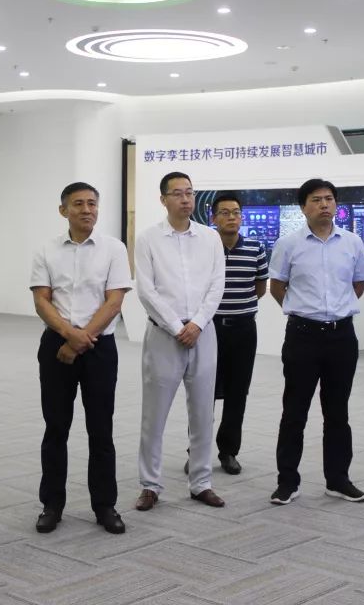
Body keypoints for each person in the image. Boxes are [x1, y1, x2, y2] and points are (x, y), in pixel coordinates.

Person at [29, 182, 132, 535]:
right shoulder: (46, 250)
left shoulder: (114, 248)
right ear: (63, 210)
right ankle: (51, 504)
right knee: (56, 428)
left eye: (92, 203)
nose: (87, 210)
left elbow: (114, 302)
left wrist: (79, 341)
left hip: (99, 348)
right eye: (78, 204)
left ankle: (105, 505)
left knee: (101, 429)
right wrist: (69, 335)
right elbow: (42, 300)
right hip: (55, 346)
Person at [268, 178, 364, 506]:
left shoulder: (352, 242)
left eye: (329, 199)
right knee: (294, 411)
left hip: (342, 336)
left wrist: (335, 310)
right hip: (302, 336)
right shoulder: (288, 244)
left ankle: (338, 479)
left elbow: (358, 284)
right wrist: (303, 310)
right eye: (316, 199)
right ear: (303, 207)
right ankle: (287, 481)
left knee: (337, 412)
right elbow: (277, 287)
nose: (324, 204)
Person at [134, 171, 226, 511]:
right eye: (177, 193)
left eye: (189, 192)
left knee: (203, 413)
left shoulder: (210, 238)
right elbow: (146, 289)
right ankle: (150, 485)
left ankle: (201, 482)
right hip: (164, 335)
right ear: (163, 200)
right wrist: (177, 326)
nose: (186, 199)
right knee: (154, 416)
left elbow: (217, 284)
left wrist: (197, 323)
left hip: (203, 333)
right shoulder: (148, 239)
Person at [207, 192, 268, 475]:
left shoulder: (255, 248)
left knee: (237, 393)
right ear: (214, 218)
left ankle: (229, 451)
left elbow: (260, 288)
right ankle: (197, 451)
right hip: (209, 329)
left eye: (236, 212)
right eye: (225, 212)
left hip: (244, 330)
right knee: (203, 393)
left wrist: (239, 306)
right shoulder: (205, 248)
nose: (231, 217)